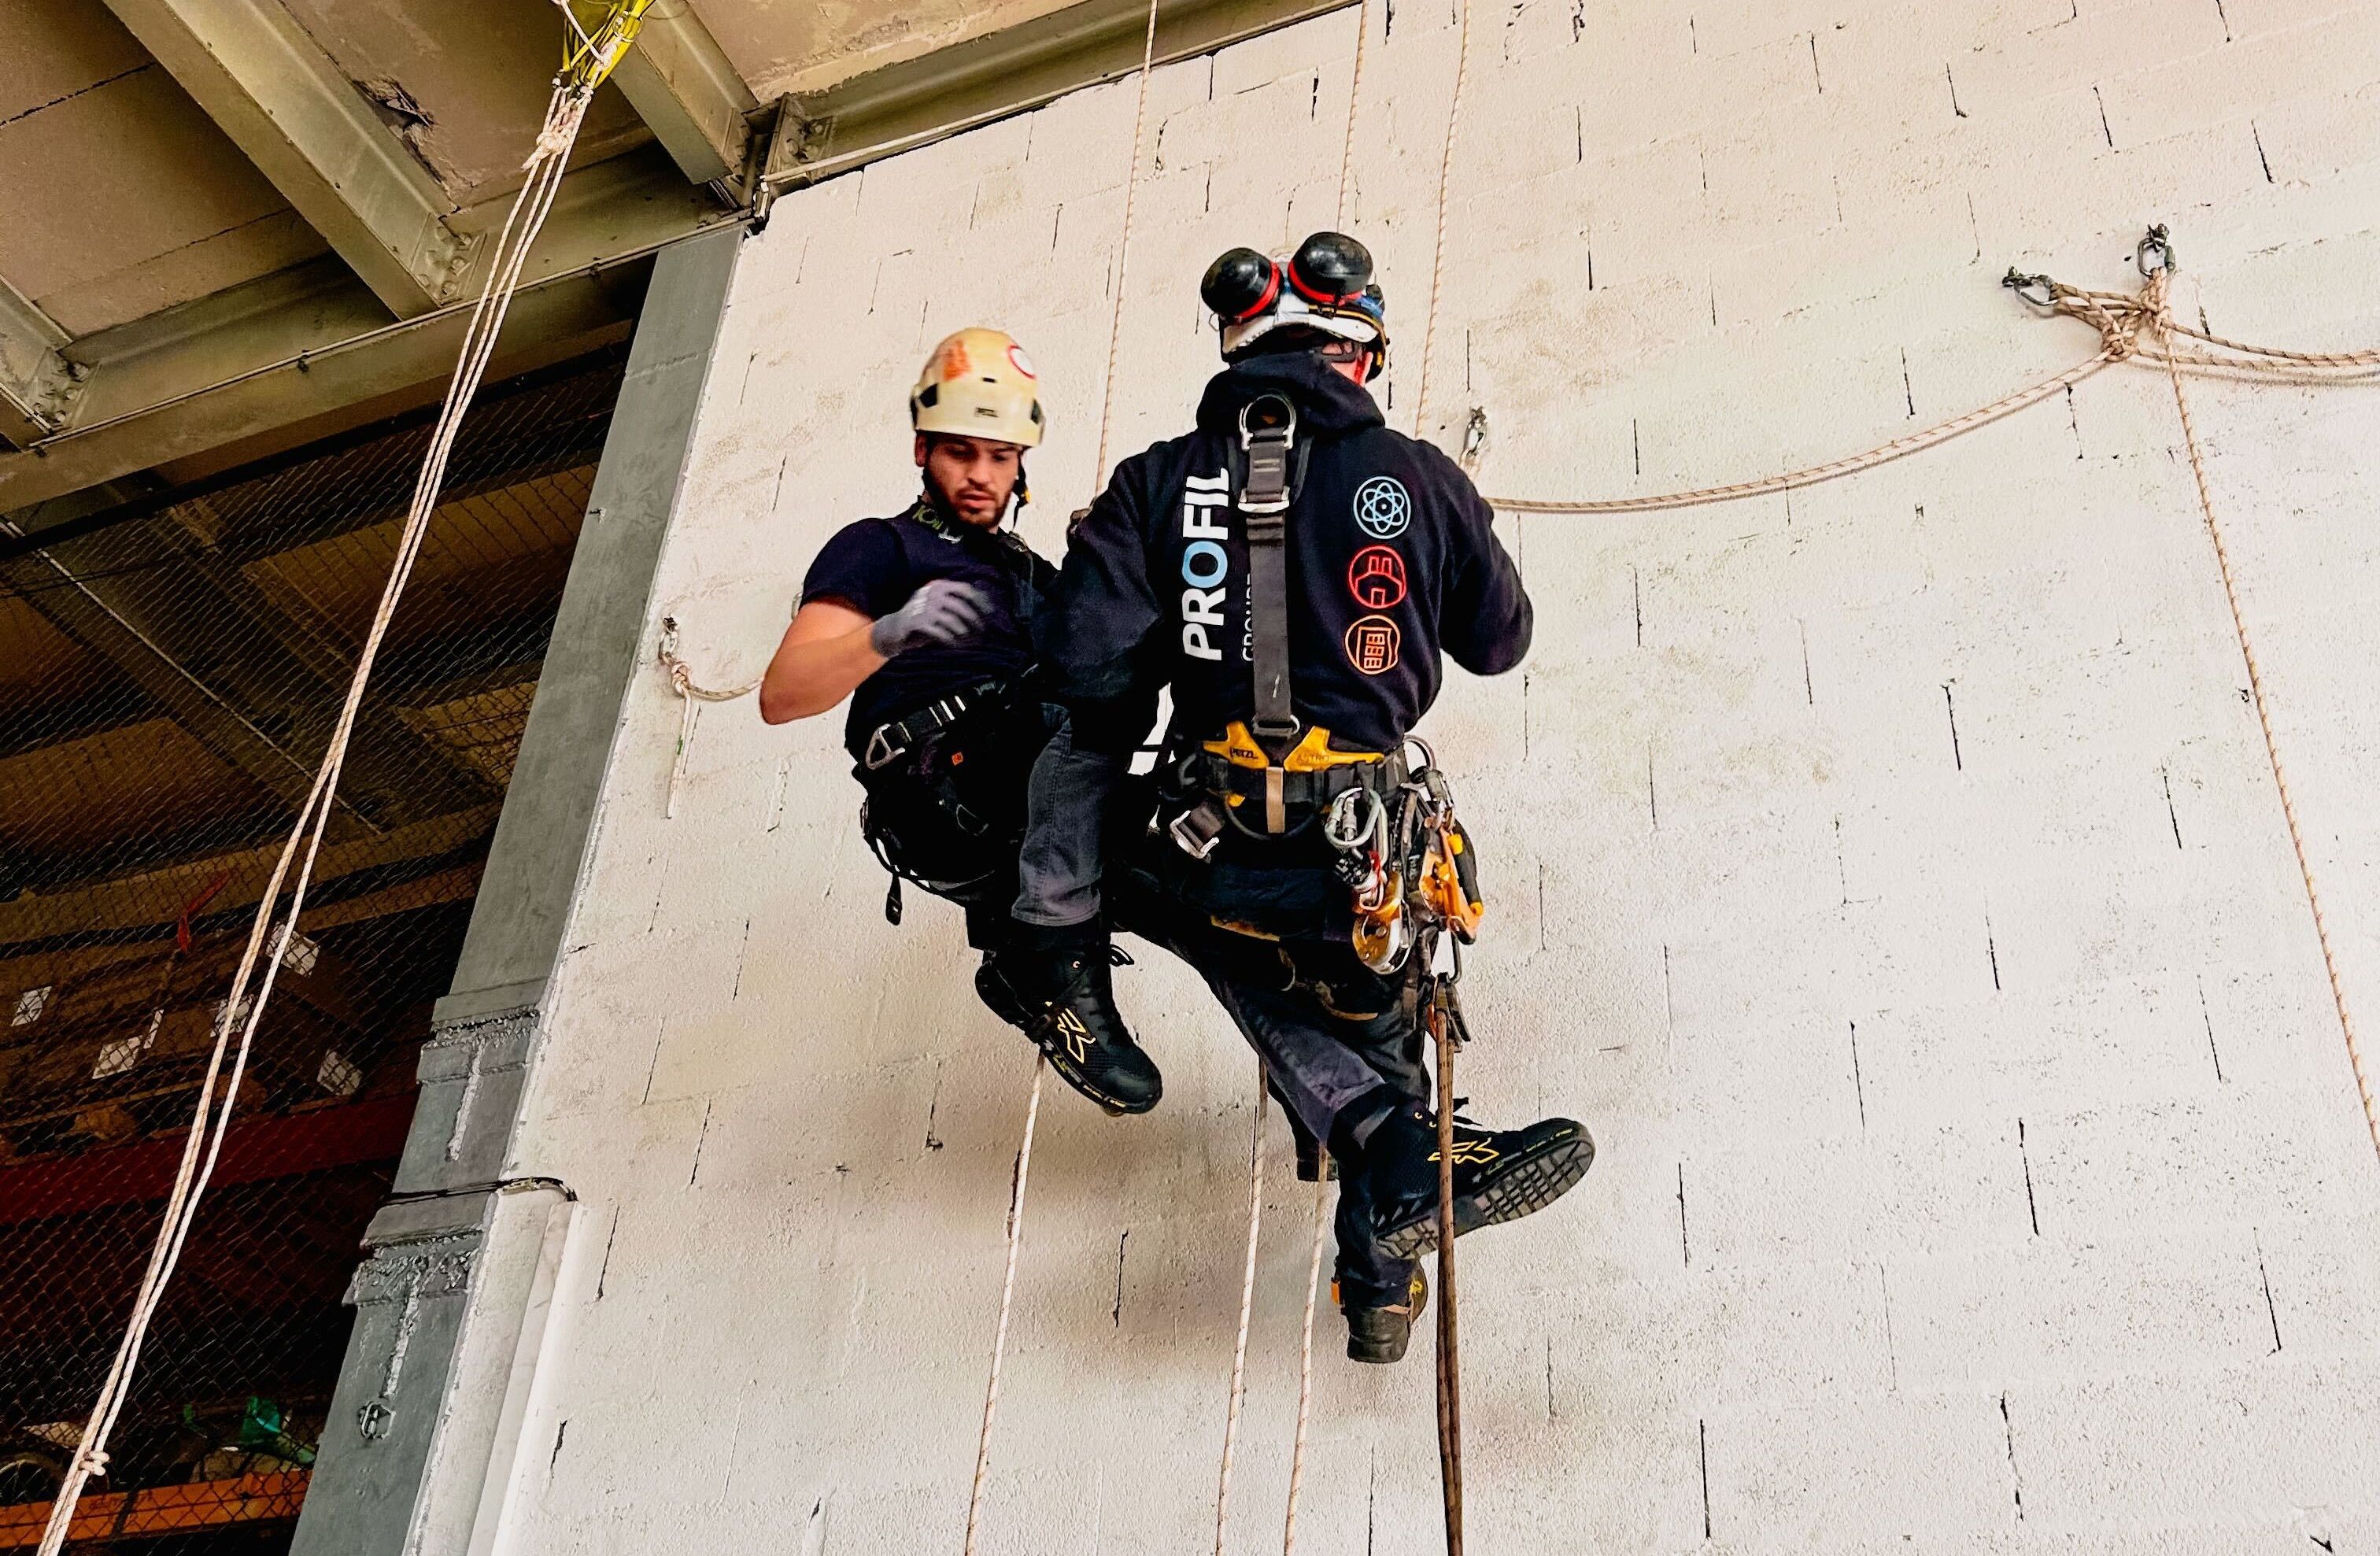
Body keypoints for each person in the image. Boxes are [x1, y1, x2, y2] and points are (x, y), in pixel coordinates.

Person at [986, 234, 1595, 1363]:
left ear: (1237, 352)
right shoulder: (1415, 476)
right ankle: (1379, 1269)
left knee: (1207, 927)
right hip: (1362, 861)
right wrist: (1437, 537)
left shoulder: (1156, 481)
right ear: (1361, 359)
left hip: (1209, 849)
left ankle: (1384, 1190)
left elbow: (1084, 670)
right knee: (1382, 1022)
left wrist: (1153, 579)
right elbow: (1500, 641)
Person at [757, 327, 1164, 1115]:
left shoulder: (1024, 574)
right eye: (959, 453)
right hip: (941, 785)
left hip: (1030, 790)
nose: (981, 475)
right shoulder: (882, 548)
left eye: (999, 457)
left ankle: (1338, 1104)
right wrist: (891, 631)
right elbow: (784, 694)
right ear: (922, 451)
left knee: (1198, 862)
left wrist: (1110, 567)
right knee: (1104, 682)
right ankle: (1051, 960)